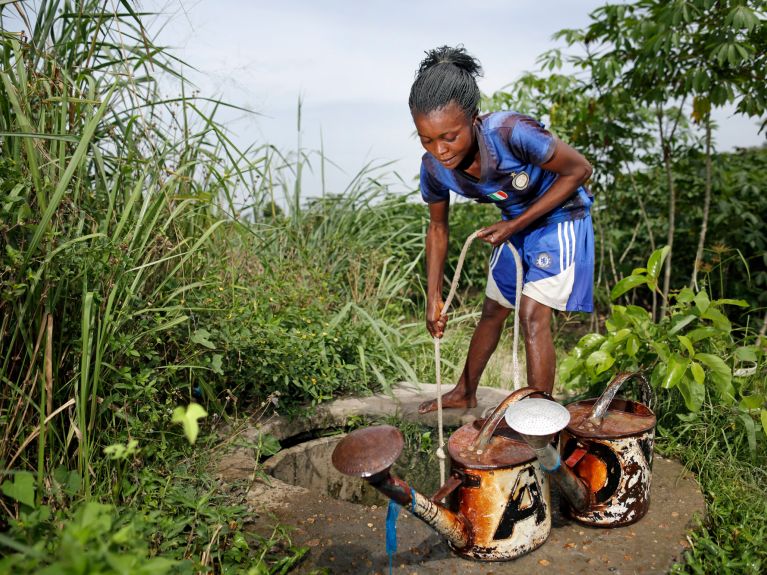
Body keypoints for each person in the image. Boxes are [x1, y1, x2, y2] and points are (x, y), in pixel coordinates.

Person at [409, 46, 594, 414]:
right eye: (427, 139)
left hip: (561, 218)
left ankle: (540, 419)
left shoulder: (511, 132)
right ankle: (465, 391)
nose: (440, 150)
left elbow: (579, 170)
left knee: (531, 315)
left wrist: (515, 224)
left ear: (474, 119)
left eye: (449, 137)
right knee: (493, 310)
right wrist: (434, 295)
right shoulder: (433, 168)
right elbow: (437, 227)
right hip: (515, 224)